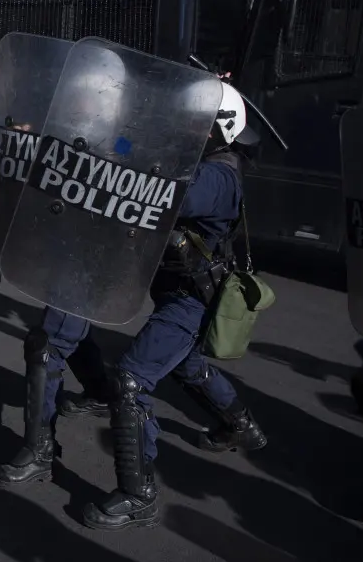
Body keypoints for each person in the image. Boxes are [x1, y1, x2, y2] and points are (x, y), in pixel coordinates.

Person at [81, 82, 266, 531]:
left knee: (129, 380)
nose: (185, 130)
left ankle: (137, 493)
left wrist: (125, 146)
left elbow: (159, 188)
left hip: (191, 299)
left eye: (195, 124)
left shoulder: (216, 177)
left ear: (220, 129)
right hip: (178, 287)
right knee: (187, 366)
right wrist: (116, 141)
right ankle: (240, 425)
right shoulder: (203, 163)